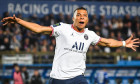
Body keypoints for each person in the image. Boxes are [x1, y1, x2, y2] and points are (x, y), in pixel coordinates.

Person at [1, 7, 139, 84]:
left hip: (78, 77)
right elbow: (38, 29)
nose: (81, 17)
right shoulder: (62, 28)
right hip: (58, 79)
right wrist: (19, 21)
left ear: (87, 19)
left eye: (84, 15)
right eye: (78, 15)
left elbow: (107, 42)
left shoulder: (90, 35)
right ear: (73, 18)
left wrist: (123, 43)